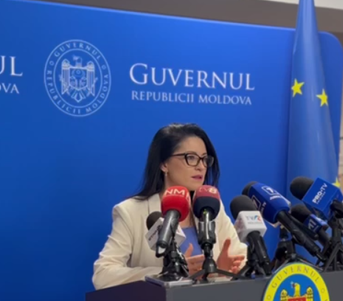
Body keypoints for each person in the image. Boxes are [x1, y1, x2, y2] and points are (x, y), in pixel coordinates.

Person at [92, 123, 247, 290]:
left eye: (204, 159)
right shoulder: (132, 212)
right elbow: (103, 275)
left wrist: (221, 271)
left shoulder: (210, 207)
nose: (201, 166)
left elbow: (241, 259)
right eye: (191, 157)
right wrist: (167, 274)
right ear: (164, 164)